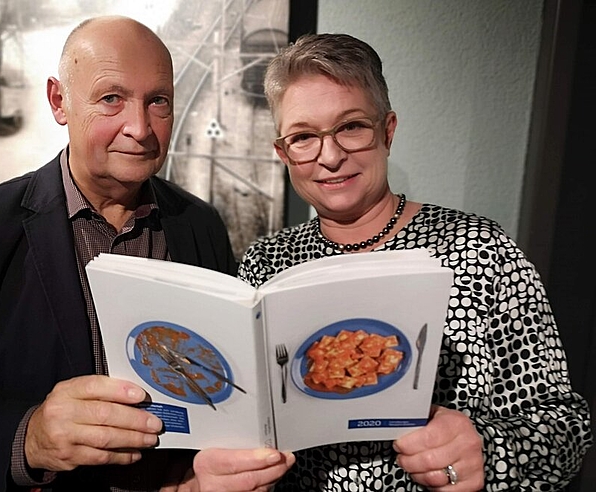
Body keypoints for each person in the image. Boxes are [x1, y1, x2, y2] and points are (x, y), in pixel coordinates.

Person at [0, 16, 294, 492]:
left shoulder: (199, 225)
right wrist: (30, 438)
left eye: (158, 100)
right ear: (60, 101)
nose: (139, 128)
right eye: (111, 99)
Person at [237, 32, 593, 491]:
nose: (330, 155)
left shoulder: (481, 249)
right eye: (304, 137)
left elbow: (564, 425)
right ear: (284, 153)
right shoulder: (267, 263)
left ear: (387, 130)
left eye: (351, 126)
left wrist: (489, 451)